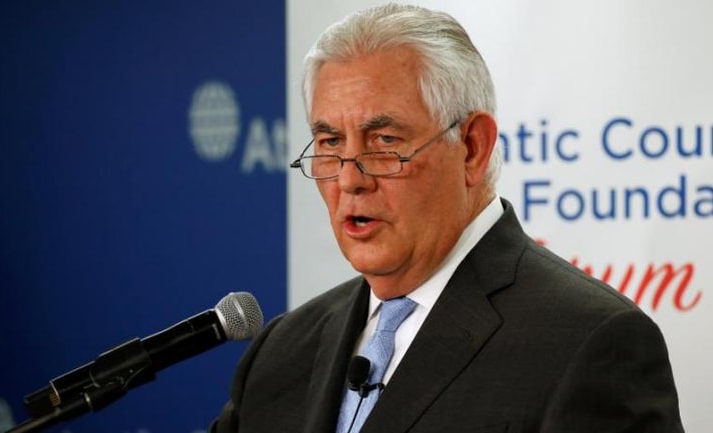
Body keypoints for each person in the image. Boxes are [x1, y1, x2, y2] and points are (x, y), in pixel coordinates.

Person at [211, 3, 684, 432]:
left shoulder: (588, 343)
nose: (350, 180)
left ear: (472, 148)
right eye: (331, 143)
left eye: (385, 142)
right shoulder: (281, 351)